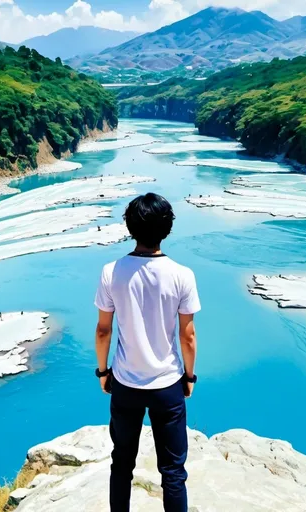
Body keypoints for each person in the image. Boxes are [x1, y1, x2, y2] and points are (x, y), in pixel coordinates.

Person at [94, 193, 201, 512]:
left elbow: (103, 331)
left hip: (125, 382)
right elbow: (188, 335)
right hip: (167, 384)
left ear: (129, 227)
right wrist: (189, 376)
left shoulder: (111, 271)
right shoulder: (182, 275)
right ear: (167, 228)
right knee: (172, 473)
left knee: (121, 465)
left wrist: (103, 372)